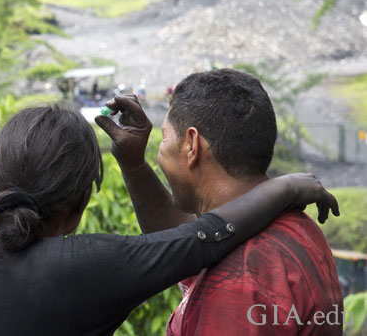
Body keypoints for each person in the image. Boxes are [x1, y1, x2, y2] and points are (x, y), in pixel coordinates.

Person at [0, 103, 338, 336]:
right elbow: (203, 239)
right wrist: (286, 187)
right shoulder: (76, 266)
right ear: (80, 203)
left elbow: (187, 242)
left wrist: (135, 166)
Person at [96, 69, 343, 336]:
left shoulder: (236, 282)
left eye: (165, 138)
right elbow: (187, 242)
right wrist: (134, 165)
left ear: (192, 145)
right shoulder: (296, 227)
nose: (160, 151)